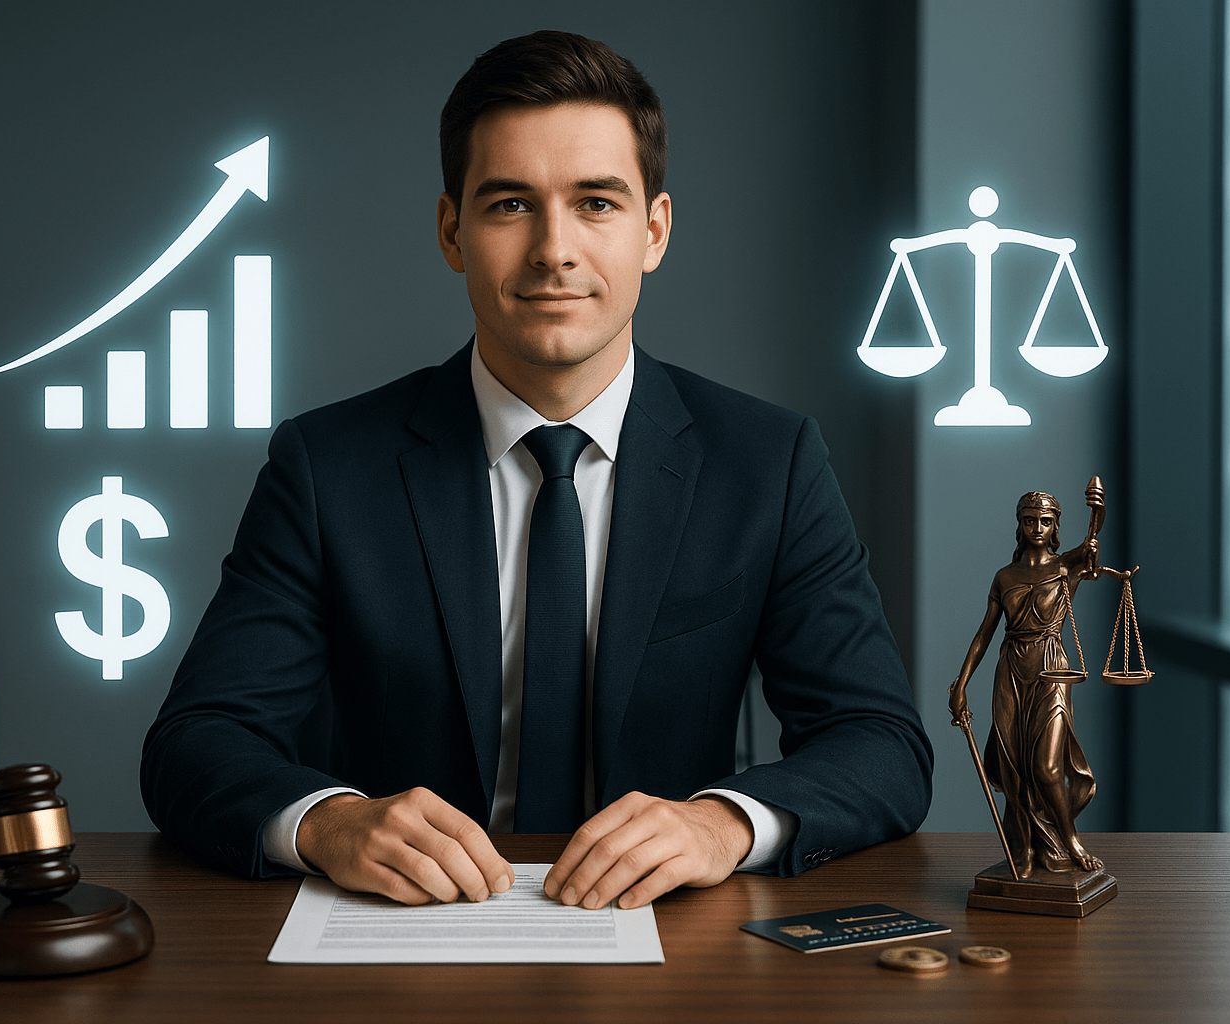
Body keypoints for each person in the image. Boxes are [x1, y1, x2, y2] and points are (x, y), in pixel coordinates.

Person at [142, 30, 931, 911]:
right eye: (511, 204)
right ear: (452, 231)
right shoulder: (327, 467)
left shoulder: (768, 461)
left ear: (654, 231)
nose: (554, 250)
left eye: (596, 203)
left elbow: (881, 742)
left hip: (671, 945)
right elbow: (196, 742)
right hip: (401, 938)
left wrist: (722, 824)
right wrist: (329, 822)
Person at [947, 489, 1103, 877]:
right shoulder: (1005, 577)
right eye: (1029, 520)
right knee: (1014, 767)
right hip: (1011, 671)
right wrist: (961, 684)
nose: (1037, 527)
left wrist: (1096, 506)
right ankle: (1024, 848)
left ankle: (1070, 841)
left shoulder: (1067, 567)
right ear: (1019, 524)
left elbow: (1092, 542)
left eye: (1045, 521)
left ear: (1055, 528)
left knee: (1048, 767)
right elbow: (984, 634)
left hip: (1051, 670)